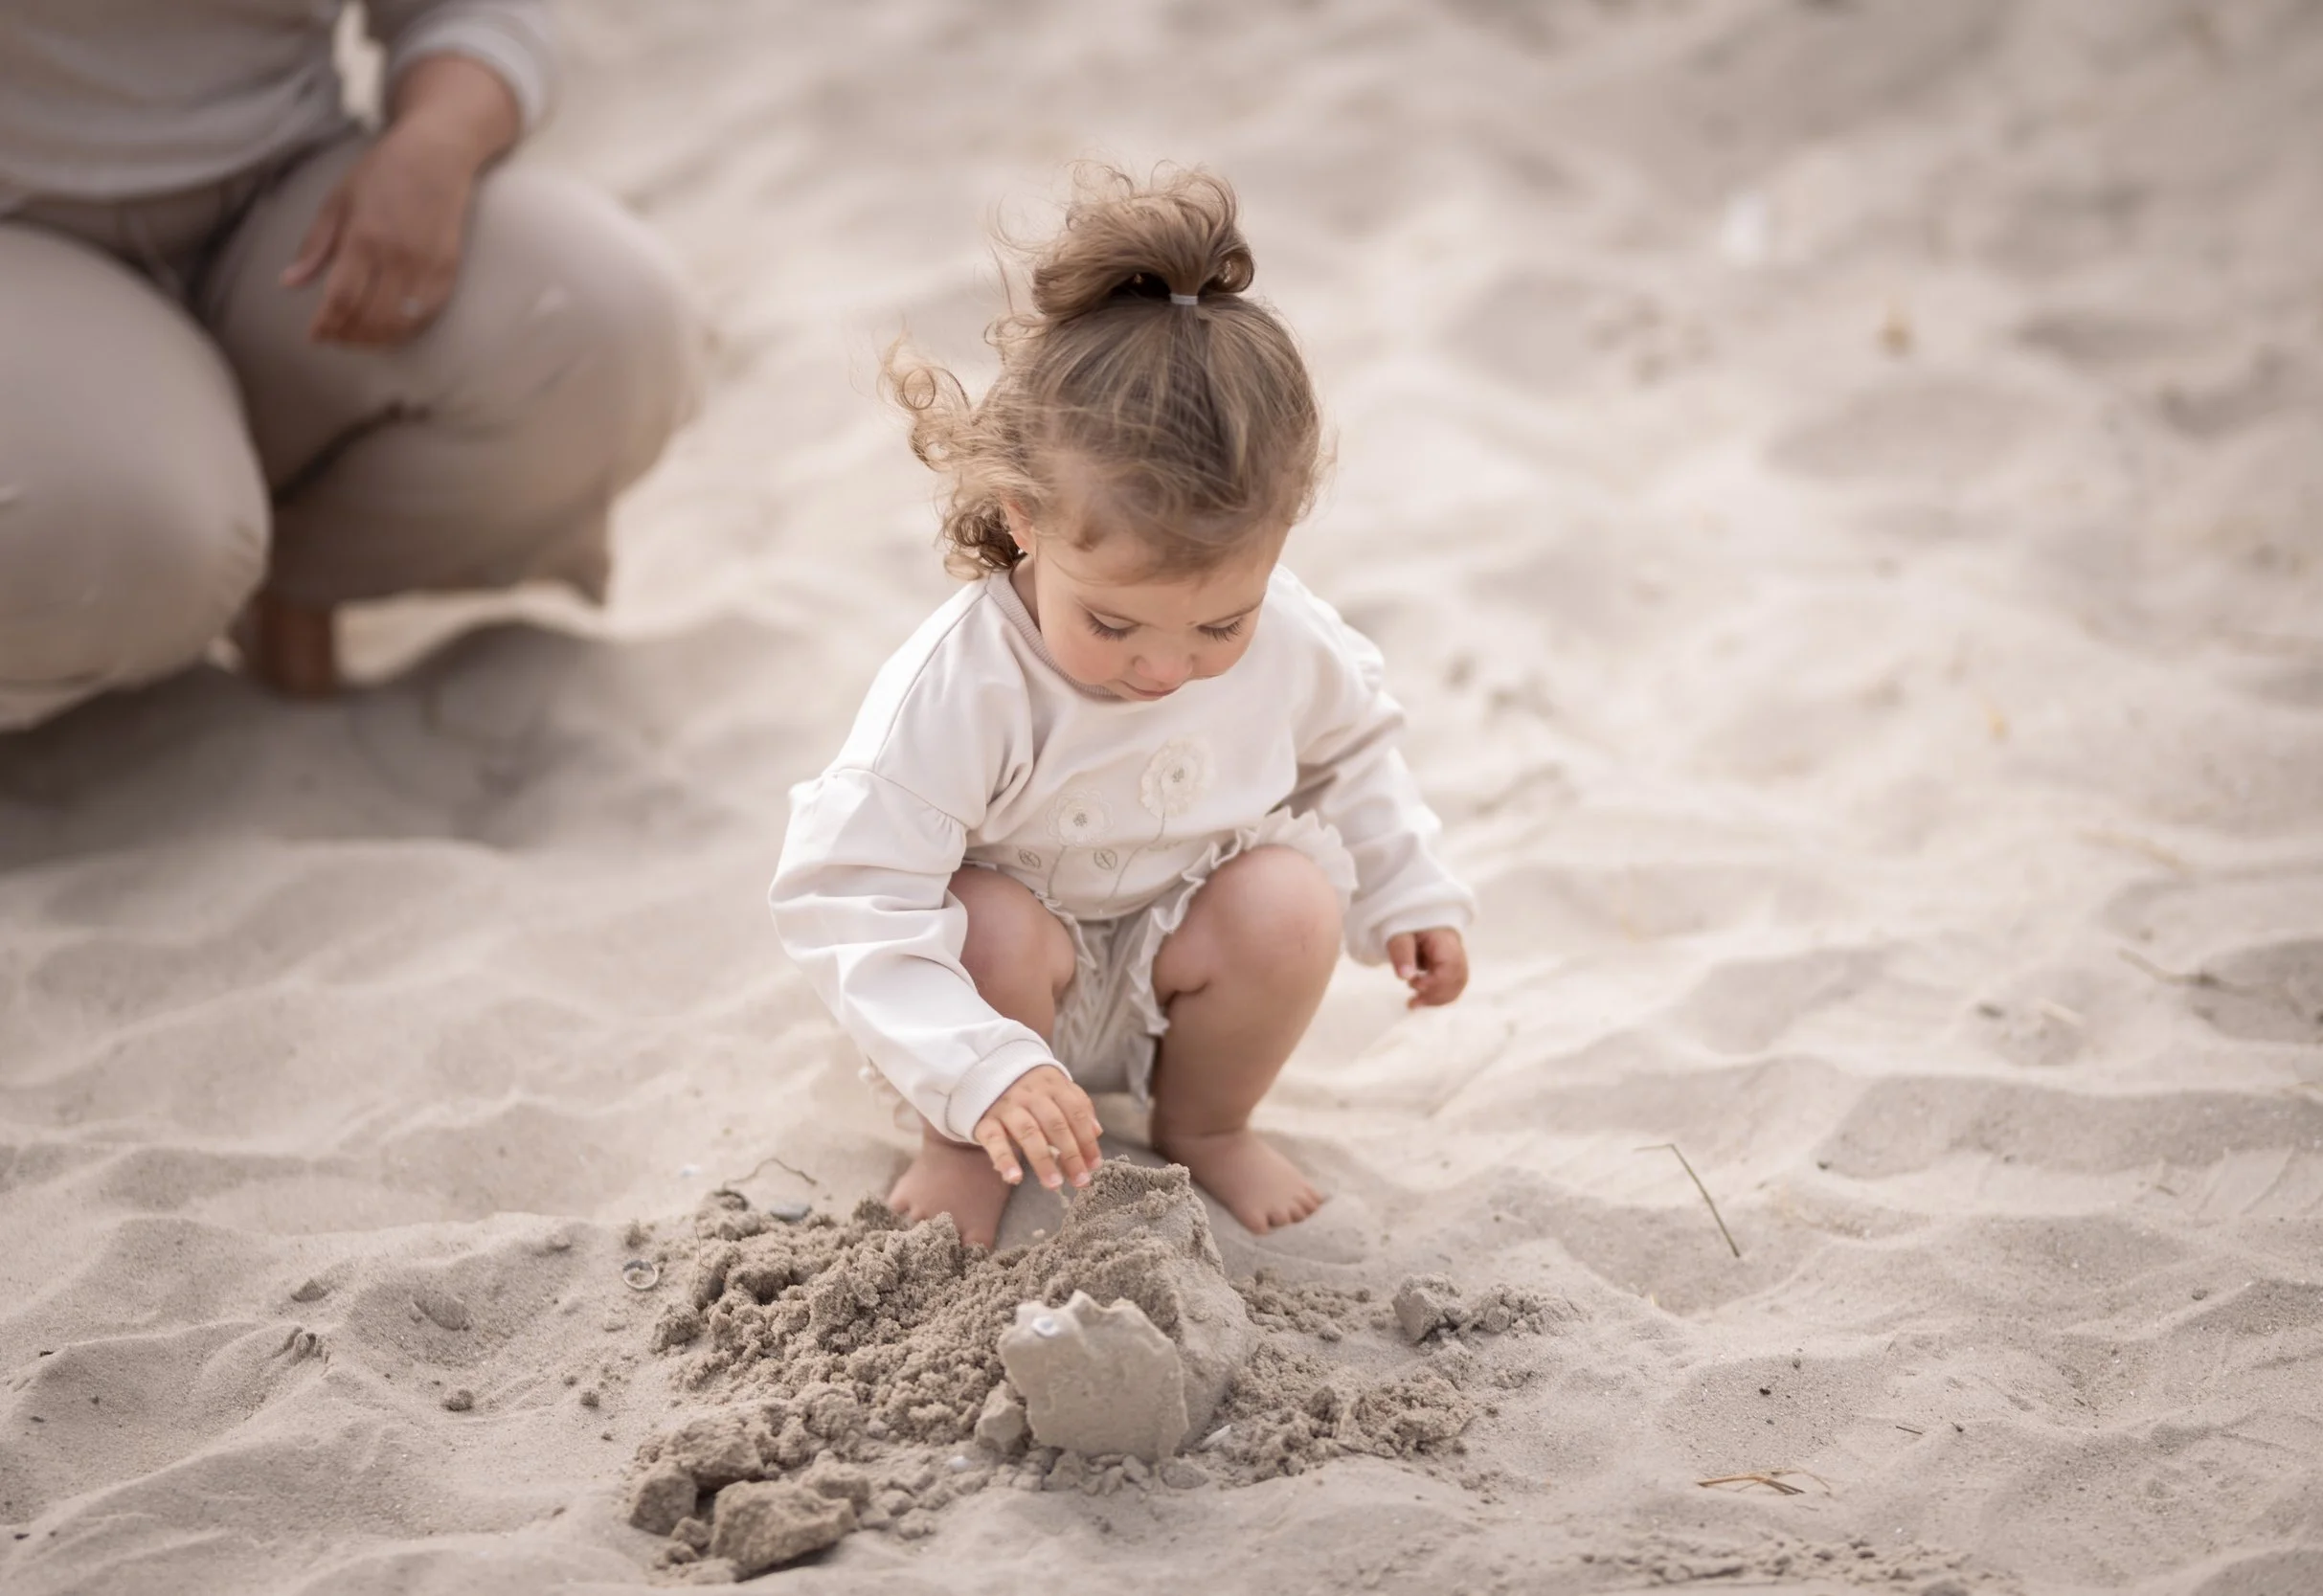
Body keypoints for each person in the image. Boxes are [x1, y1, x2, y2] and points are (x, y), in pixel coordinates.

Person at [768, 167, 1474, 1248]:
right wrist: (975, 1063)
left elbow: (1352, 752)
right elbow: (851, 892)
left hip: (1170, 980)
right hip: (996, 990)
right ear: (1024, 521)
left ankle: (1207, 1122)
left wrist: (1405, 883)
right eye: (1114, 625)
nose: (1164, 671)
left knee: (1291, 902)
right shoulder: (967, 680)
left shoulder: (1288, 632)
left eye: (1217, 625)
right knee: (992, 921)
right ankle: (961, 1141)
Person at [0, 0, 699, 731]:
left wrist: (436, 145)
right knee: (133, 536)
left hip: (283, 187)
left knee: (604, 332)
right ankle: (164, 558)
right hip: (20, 239)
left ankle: (288, 579)